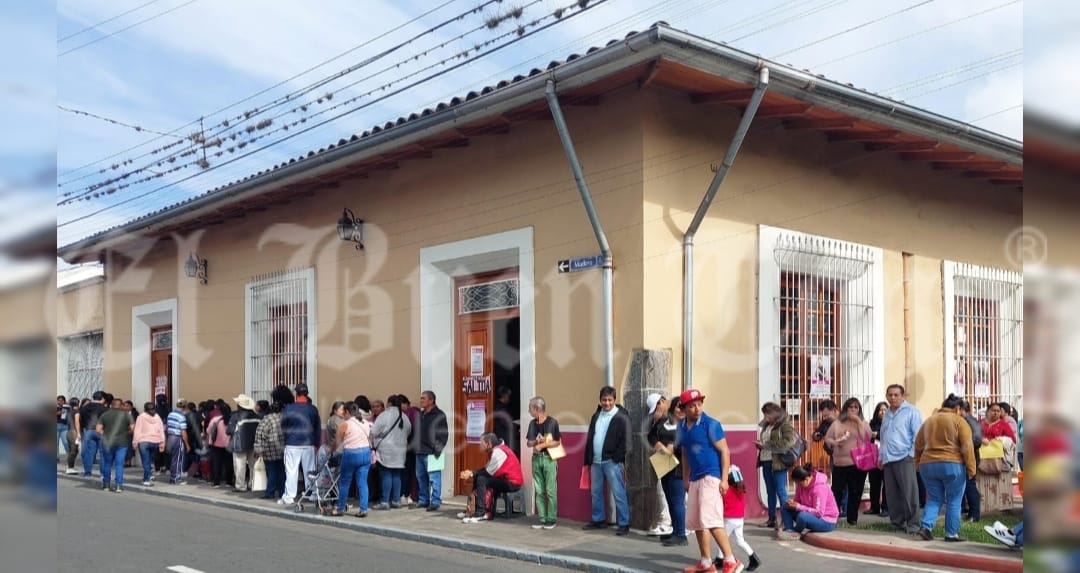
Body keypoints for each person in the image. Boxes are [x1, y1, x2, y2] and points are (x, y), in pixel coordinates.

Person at [675, 388, 741, 573]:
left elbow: (725, 451)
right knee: (697, 521)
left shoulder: (711, 424)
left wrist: (724, 479)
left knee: (710, 519)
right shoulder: (681, 427)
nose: (697, 408)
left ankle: (731, 561)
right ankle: (705, 563)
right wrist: (686, 478)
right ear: (683, 409)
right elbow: (684, 453)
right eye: (692, 406)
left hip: (711, 476)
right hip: (694, 478)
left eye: (699, 404)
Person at [914, 394, 976, 542]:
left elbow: (918, 444)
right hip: (952, 464)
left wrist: (917, 462)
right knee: (954, 499)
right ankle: (951, 533)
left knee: (934, 498)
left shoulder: (929, 421)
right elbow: (967, 446)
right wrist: (971, 468)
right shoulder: (959, 421)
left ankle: (926, 527)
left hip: (927, 464)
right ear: (958, 408)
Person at [582, 386, 632, 536]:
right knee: (595, 492)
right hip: (596, 462)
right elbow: (591, 437)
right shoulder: (596, 416)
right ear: (600, 400)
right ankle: (598, 520)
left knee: (618, 493)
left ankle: (624, 523)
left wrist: (616, 458)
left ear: (614, 400)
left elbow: (627, 442)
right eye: (604, 400)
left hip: (612, 462)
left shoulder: (622, 417)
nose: (607, 403)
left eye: (610, 400)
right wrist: (588, 459)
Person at [878, 384, 924, 534]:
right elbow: (883, 437)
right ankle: (897, 523)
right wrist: (881, 456)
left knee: (909, 493)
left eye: (896, 395)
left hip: (905, 457)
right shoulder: (887, 414)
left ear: (903, 396)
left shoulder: (911, 411)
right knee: (892, 494)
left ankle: (913, 524)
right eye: (890, 395)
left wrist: (911, 454)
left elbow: (918, 436)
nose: (893, 398)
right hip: (888, 458)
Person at [825, 397, 872, 526]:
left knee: (855, 492)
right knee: (837, 491)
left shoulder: (863, 422)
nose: (853, 410)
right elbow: (828, 438)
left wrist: (858, 421)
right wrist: (834, 442)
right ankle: (833, 516)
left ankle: (852, 518)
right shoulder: (837, 423)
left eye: (856, 407)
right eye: (850, 407)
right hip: (840, 463)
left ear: (859, 410)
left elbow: (866, 438)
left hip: (857, 463)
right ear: (845, 409)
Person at [457, 433, 524, 523]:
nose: (480, 446)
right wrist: (471, 473)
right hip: (503, 479)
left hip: (512, 483)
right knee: (478, 476)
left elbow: (488, 473)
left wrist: (471, 473)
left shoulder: (498, 452)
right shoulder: (494, 450)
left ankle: (481, 512)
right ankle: (471, 508)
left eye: (482, 443)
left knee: (481, 479)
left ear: (488, 443)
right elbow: (486, 468)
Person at [647, 393, 683, 542]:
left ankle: (681, 534)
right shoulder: (663, 423)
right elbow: (651, 436)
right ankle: (675, 530)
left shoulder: (686, 426)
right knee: (669, 499)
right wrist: (660, 446)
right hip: (665, 466)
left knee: (677, 501)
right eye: (678, 407)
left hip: (679, 468)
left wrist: (674, 447)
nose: (680, 410)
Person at [756, 402, 795, 529]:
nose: (766, 416)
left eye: (768, 413)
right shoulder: (766, 426)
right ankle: (771, 519)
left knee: (780, 491)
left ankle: (786, 520)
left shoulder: (784, 425)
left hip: (778, 462)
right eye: (764, 414)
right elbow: (765, 441)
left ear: (775, 413)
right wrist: (760, 445)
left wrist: (767, 445)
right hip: (765, 460)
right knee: (770, 491)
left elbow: (788, 442)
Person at [330, 402, 373, 518]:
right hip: (366, 453)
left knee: (345, 482)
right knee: (363, 482)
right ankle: (363, 509)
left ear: (348, 412)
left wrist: (331, 451)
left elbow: (337, 442)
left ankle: (340, 508)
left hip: (351, 454)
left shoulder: (345, 424)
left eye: (344, 412)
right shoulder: (365, 422)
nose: (343, 414)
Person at [525, 396, 561, 530]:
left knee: (550, 490)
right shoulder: (532, 424)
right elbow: (529, 443)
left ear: (536, 408)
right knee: (539, 490)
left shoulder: (552, 422)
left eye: (530, 408)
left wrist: (545, 444)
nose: (529, 411)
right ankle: (542, 518)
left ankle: (551, 519)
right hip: (536, 458)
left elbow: (557, 442)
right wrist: (537, 442)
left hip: (549, 458)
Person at [281, 383, 320, 505]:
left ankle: (289, 496)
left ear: (296, 393)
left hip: (292, 443)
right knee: (310, 470)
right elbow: (317, 428)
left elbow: (283, 426)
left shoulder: (289, 408)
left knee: (291, 471)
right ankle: (313, 493)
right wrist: (316, 443)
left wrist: (286, 439)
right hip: (308, 443)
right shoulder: (313, 409)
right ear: (307, 393)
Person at [370, 394, 411, 510]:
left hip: (386, 450)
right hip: (400, 450)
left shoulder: (384, 415)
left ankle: (385, 501)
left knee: (386, 474)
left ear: (389, 403)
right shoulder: (405, 417)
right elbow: (409, 431)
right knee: (397, 475)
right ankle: (396, 500)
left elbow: (373, 431)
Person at [778, 463, 840, 539]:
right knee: (785, 506)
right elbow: (797, 502)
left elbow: (819, 512)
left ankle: (796, 532)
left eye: (799, 483)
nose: (798, 485)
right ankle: (789, 529)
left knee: (802, 516)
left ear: (807, 479)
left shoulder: (819, 489)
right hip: (810, 515)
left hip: (826, 521)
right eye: (797, 483)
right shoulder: (800, 485)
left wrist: (799, 506)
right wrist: (792, 503)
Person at [645, 393, 674, 537]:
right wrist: (656, 422)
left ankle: (667, 523)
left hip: (675, 458)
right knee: (662, 490)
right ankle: (671, 522)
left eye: (657, 408)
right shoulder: (661, 420)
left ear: (661, 401)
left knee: (667, 491)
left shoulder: (673, 414)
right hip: (666, 459)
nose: (657, 412)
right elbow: (651, 437)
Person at [413, 390, 448, 512]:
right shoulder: (421, 414)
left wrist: (437, 450)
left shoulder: (439, 415)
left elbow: (443, 435)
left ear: (431, 400)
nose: (421, 400)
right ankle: (423, 500)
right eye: (421, 398)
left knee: (434, 479)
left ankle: (435, 501)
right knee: (421, 478)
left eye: (424, 398)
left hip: (432, 452)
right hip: (419, 451)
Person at [722, 466, 761, 572]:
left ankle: (721, 560)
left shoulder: (727, 490)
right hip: (739, 519)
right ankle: (754, 558)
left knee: (721, 540)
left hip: (729, 519)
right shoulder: (741, 489)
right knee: (739, 540)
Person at [96, 399, 135, 492]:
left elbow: (98, 430)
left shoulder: (105, 415)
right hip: (122, 443)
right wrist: (127, 432)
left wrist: (105, 434)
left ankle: (106, 484)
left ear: (111, 405)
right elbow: (133, 428)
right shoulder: (127, 415)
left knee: (107, 463)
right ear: (121, 405)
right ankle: (119, 486)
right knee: (119, 464)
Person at [254, 399, 287, 501]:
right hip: (283, 449)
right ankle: (282, 492)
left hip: (269, 449)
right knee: (282, 471)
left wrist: (258, 450)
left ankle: (270, 492)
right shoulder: (285, 418)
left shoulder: (266, 419)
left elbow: (259, 434)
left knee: (271, 471)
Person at [228, 394, 260, 491]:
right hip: (253, 443)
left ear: (239, 405)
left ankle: (240, 486)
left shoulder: (236, 416)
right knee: (253, 465)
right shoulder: (256, 416)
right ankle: (253, 484)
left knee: (240, 466)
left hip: (239, 444)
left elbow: (229, 430)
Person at [959, 400, 983, 522]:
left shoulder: (970, 421)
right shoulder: (966, 421)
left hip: (970, 458)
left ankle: (974, 514)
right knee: (964, 484)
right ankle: (965, 510)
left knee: (969, 485)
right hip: (966, 457)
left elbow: (977, 440)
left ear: (962, 410)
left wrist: (964, 448)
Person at [132, 401, 166, 486]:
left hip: (143, 442)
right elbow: (161, 431)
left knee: (145, 461)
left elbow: (137, 431)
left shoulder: (141, 417)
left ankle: (146, 479)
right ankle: (149, 475)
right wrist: (162, 443)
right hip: (155, 442)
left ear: (145, 409)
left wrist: (135, 443)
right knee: (150, 461)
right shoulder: (157, 417)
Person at [75, 391, 108, 477]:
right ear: (103, 398)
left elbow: (80, 418)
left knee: (89, 453)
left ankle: (87, 473)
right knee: (103, 453)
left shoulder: (84, 408)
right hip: (102, 431)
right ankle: (103, 474)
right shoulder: (105, 409)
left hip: (88, 431)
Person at [865, 401, 888, 516]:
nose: (882, 412)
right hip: (874, 456)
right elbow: (866, 439)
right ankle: (874, 507)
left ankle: (885, 508)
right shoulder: (872, 423)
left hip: (886, 457)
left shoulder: (890, 423)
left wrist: (877, 435)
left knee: (887, 484)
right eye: (880, 410)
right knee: (874, 483)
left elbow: (890, 437)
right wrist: (871, 435)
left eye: (885, 410)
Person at [165, 401, 191, 485]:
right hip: (177, 437)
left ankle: (173, 477)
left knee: (173, 458)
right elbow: (183, 432)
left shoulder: (170, 414)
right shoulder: (181, 417)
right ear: (184, 407)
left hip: (170, 437)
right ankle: (176, 478)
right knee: (178, 459)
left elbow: (167, 426)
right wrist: (187, 444)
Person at [206, 403, 232, 487]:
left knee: (216, 463)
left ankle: (216, 481)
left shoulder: (215, 419)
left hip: (216, 444)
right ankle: (229, 481)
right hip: (229, 444)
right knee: (229, 463)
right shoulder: (232, 419)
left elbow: (208, 431)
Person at [492, 386, 518, 458]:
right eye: (508, 396)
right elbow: (507, 423)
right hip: (503, 439)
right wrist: (517, 426)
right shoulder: (500, 408)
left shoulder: (499, 406)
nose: (509, 398)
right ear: (505, 396)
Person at [57, 395, 71, 462]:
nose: (60, 402)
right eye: (59, 400)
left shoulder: (67, 407)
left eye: (62, 400)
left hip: (64, 427)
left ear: (64, 401)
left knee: (66, 442)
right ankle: (56, 458)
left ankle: (69, 456)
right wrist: (58, 413)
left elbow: (74, 411)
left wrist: (68, 404)